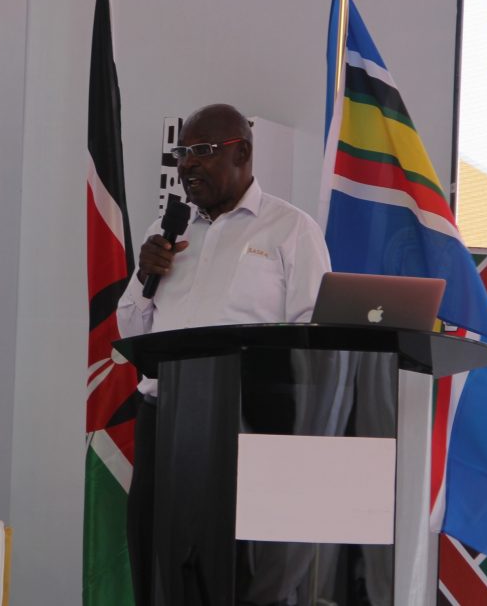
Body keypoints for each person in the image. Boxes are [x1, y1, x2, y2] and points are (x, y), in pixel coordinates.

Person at [117, 103, 331, 606]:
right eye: (182, 152)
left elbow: (314, 336)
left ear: (243, 153)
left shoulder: (290, 229)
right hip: (164, 419)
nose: (188, 163)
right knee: (158, 567)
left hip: (244, 425)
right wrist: (146, 276)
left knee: (233, 575)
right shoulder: (166, 231)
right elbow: (131, 332)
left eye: (203, 151)